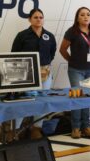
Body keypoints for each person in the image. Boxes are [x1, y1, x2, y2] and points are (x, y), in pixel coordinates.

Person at [11, 8, 57, 140]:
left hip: (45, 73)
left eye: (41, 17)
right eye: (36, 17)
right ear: (29, 19)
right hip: (27, 73)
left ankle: (36, 128)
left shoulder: (49, 36)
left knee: (42, 102)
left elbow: (52, 53)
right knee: (23, 102)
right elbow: (14, 54)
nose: (39, 19)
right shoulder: (22, 35)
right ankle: (15, 131)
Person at [60, 7, 90, 139]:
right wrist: (72, 61)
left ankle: (86, 126)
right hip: (76, 70)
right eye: (82, 15)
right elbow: (62, 49)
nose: (85, 17)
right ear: (77, 18)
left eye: (88, 14)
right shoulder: (72, 32)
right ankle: (76, 127)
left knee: (87, 97)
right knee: (77, 97)